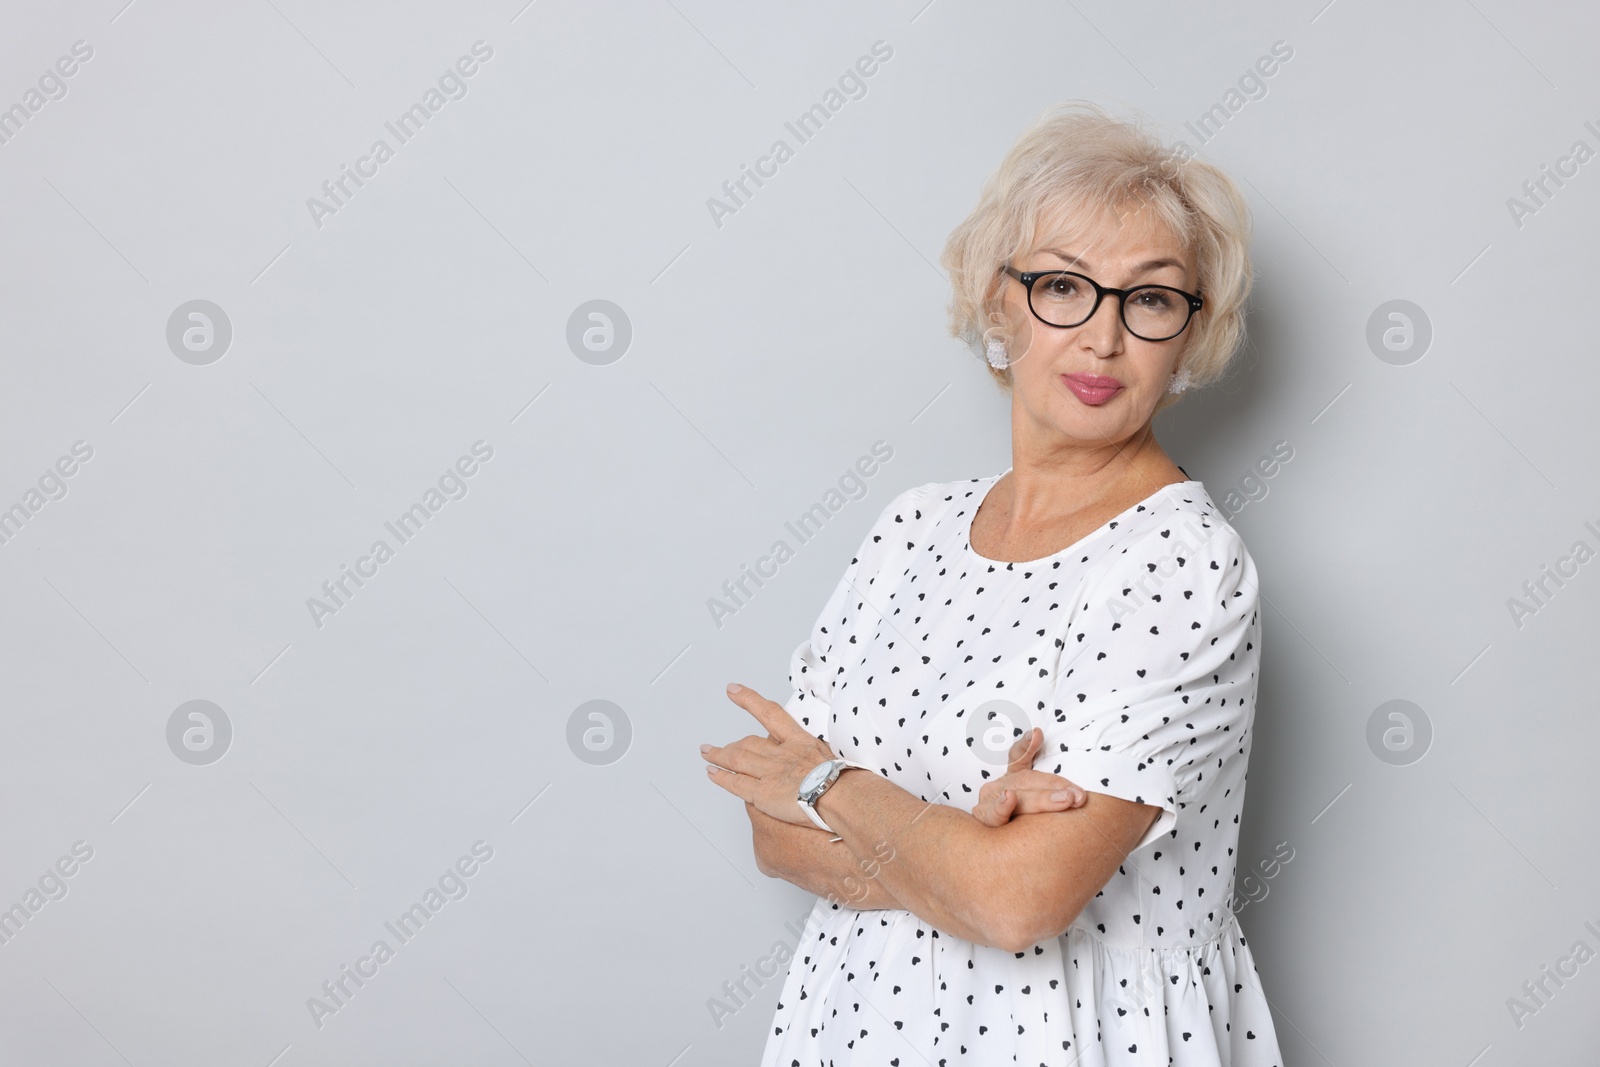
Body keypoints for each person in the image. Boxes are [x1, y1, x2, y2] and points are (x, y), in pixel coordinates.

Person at [701, 100, 1284, 1065]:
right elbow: (777, 841)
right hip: (858, 1024)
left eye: (1149, 298)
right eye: (1063, 285)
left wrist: (831, 783)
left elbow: (1018, 903)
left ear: (1191, 332)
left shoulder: (1181, 562)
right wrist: (956, 847)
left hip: (1076, 1037)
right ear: (997, 300)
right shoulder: (911, 527)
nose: (1103, 339)